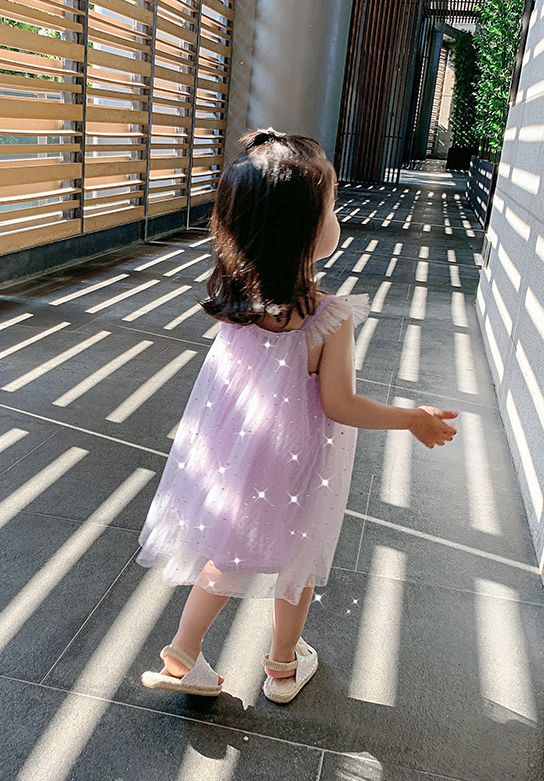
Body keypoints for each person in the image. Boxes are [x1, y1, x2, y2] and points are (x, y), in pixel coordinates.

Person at [137, 129, 457, 703]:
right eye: (330, 208)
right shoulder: (325, 316)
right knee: (298, 560)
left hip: (235, 453)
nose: (337, 217)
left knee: (225, 553)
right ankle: (282, 667)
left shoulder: (235, 304)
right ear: (304, 231)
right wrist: (412, 418)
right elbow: (340, 405)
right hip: (295, 463)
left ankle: (183, 656)